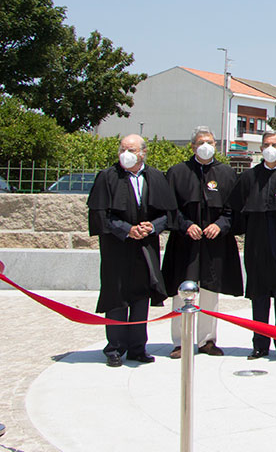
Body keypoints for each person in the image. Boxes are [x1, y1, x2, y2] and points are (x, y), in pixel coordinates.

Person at [87, 135, 176, 367]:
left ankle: (138, 347)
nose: (126, 153)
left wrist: (152, 227)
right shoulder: (108, 177)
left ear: (142, 153)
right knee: (116, 295)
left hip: (145, 247)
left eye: (131, 149)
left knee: (141, 296)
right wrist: (127, 230)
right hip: (117, 247)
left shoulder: (155, 177)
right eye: (123, 148)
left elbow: (167, 213)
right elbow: (100, 214)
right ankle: (114, 347)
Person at [163, 127, 243, 359]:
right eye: (200, 142)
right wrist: (185, 224)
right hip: (185, 241)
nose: (205, 146)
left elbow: (233, 209)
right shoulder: (177, 172)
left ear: (216, 145)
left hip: (214, 242)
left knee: (210, 291)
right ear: (192, 146)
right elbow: (170, 207)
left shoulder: (227, 174)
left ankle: (207, 340)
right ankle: (180, 341)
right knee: (182, 291)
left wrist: (220, 224)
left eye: (209, 142)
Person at [230, 130, 276, 360]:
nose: (269, 148)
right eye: (265, 144)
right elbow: (236, 211)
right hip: (256, 246)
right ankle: (259, 345)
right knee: (259, 299)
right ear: (260, 149)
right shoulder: (249, 178)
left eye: (274, 145)